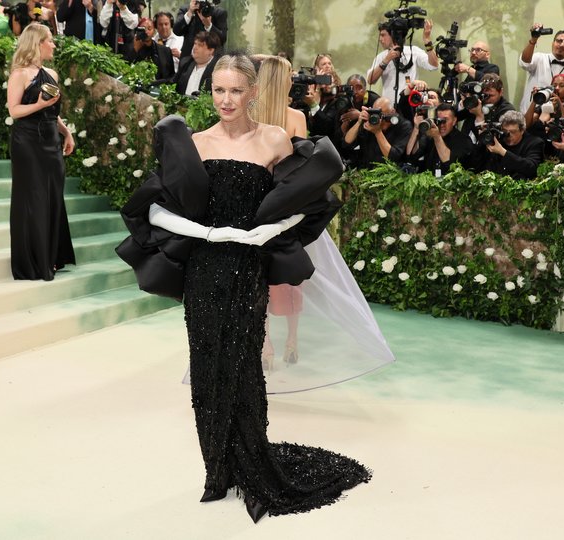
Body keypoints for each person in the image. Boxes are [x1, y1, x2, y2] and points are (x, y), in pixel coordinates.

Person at [116, 54, 387, 522]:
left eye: (234, 91)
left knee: (243, 363)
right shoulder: (196, 142)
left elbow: (308, 200)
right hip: (204, 266)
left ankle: (250, 457)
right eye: (218, 90)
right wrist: (210, 234)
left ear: (253, 93)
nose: (225, 100)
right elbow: (153, 208)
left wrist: (261, 234)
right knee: (206, 362)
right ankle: (215, 471)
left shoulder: (275, 139)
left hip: (247, 269)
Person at [6, 23, 76, 281]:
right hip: (27, 142)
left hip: (50, 140)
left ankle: (52, 256)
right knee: (33, 199)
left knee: (53, 196)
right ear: (37, 43)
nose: (54, 45)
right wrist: (37, 104)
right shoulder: (19, 74)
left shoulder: (52, 74)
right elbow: (14, 111)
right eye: (50, 40)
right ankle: (34, 261)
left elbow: (51, 111)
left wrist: (66, 132)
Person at [253, 56, 307, 369]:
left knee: (261, 276)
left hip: (257, 206)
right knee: (290, 276)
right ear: (283, 81)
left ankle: (267, 344)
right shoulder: (297, 117)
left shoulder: (250, 117)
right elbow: (303, 165)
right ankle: (292, 340)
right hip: (288, 205)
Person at [367, 19, 438, 104]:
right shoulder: (381, 57)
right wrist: (386, 60)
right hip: (388, 109)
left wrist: (427, 40)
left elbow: (434, 65)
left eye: (383, 35)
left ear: (393, 35)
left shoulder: (413, 52)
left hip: (409, 107)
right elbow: (370, 80)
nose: (380, 39)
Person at [518, 25, 564, 113]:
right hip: (530, 115)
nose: (562, 44)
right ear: (552, 43)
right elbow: (524, 62)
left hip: (558, 118)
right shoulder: (539, 58)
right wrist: (533, 39)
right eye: (559, 41)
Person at [343, 97, 412, 170]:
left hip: (389, 174)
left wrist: (377, 132)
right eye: (375, 113)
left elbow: (392, 158)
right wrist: (359, 122)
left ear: (392, 112)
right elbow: (347, 142)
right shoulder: (370, 121)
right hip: (364, 171)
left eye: (381, 114)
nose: (379, 118)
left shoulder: (404, 126)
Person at [407, 103, 473, 176]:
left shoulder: (463, 140)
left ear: (454, 121)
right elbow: (411, 156)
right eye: (439, 120)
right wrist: (416, 128)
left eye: (445, 120)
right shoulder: (430, 137)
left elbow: (450, 165)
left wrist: (437, 137)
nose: (442, 125)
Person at [478, 110, 544, 180]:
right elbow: (478, 165)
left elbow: (532, 168)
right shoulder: (498, 140)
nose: (508, 135)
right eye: (505, 131)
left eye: (513, 132)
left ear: (522, 130)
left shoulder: (534, 143)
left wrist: (502, 152)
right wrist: (483, 139)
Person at [123, 17, 175, 85]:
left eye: (149, 29)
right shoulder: (130, 47)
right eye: (143, 29)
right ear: (138, 31)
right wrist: (135, 50)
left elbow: (171, 76)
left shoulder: (165, 50)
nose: (146, 32)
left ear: (154, 31)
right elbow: (124, 68)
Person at [174, 31, 220, 96]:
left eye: (200, 45)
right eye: (195, 43)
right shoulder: (186, 62)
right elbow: (173, 83)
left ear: (211, 50)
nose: (195, 47)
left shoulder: (218, 69)